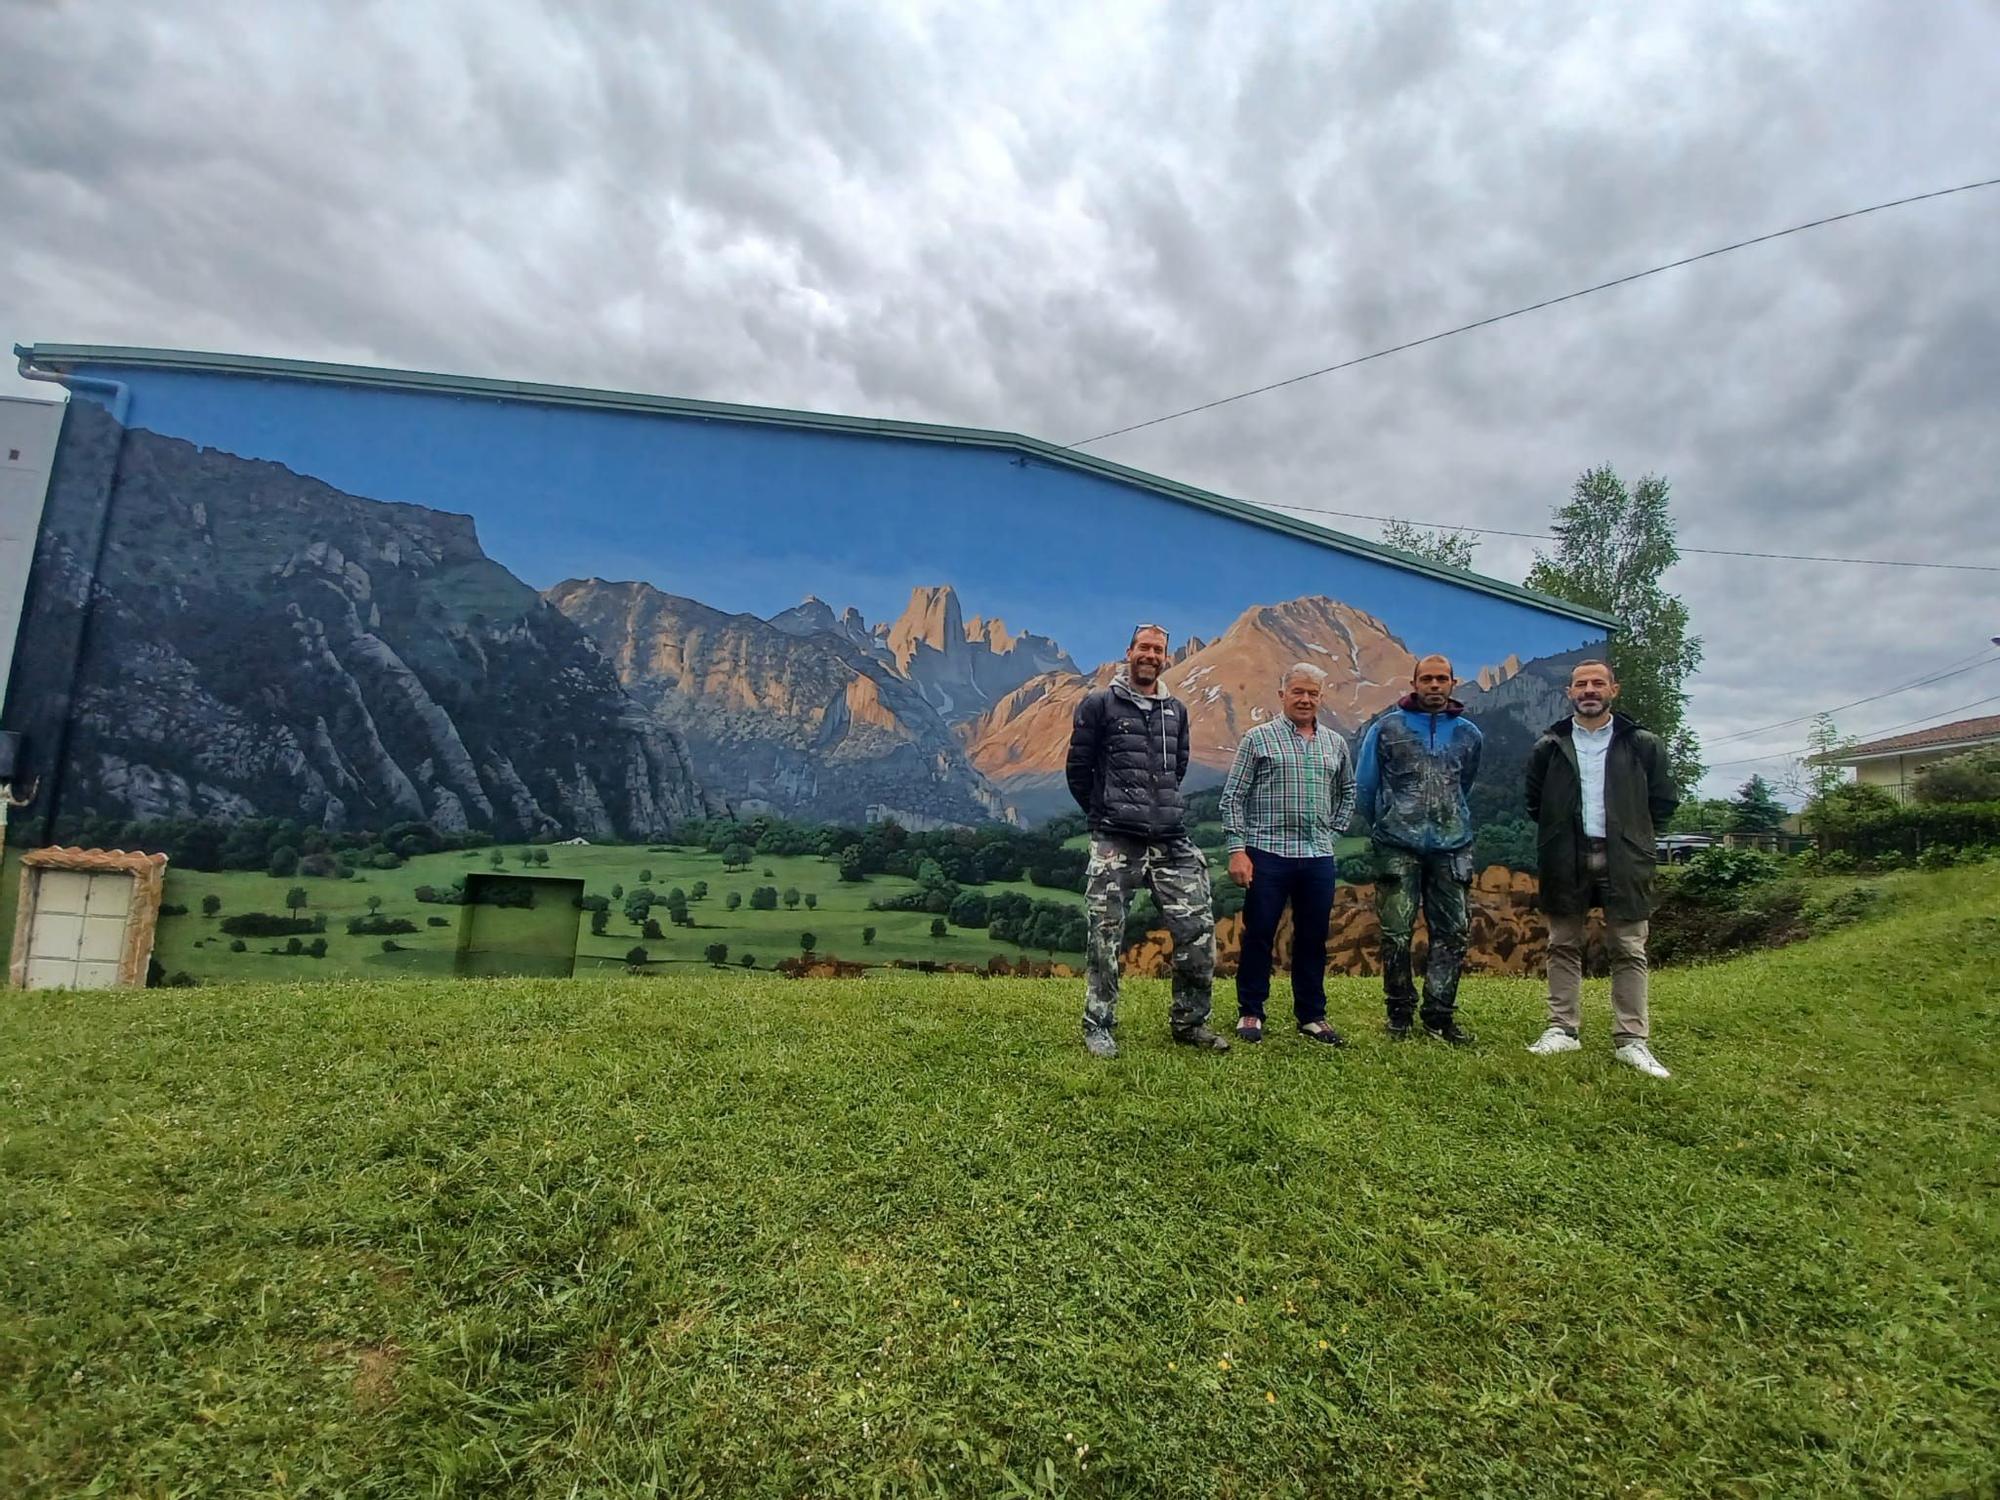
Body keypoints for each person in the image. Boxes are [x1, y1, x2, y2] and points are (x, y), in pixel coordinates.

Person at [1065, 623, 1227, 1058]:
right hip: (1116, 839)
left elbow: (1178, 768)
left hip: (1171, 838)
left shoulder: (1176, 711)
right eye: (1144, 647)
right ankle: (1098, 1025)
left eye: (1158, 649)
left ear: (1165, 657)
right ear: (1129, 651)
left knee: (1197, 931)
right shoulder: (1099, 704)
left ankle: (1190, 1023)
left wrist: (1159, 810)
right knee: (1105, 935)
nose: (1151, 655)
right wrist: (1103, 815)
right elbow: (1078, 770)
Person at [1524, 659, 1678, 1078]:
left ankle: (1632, 1039)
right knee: (1562, 943)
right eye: (1581, 684)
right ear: (1569, 693)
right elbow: (1536, 803)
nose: (1589, 690)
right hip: (1565, 855)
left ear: (1614, 690)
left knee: (1628, 946)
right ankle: (1562, 1029)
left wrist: (1636, 836)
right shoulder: (1549, 746)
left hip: (1625, 857)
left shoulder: (1642, 744)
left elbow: (1663, 800)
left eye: (1597, 683)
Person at [1219, 663, 1357, 1045]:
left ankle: (1312, 1016)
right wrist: (1237, 850)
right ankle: (1251, 1012)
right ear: (1282, 695)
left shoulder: (1335, 743)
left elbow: (1348, 791)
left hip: (1317, 856)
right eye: (1298, 691)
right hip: (1267, 853)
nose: (1305, 699)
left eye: (1313, 693)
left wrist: (1333, 831)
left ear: (1321, 698)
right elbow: (1233, 798)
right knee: (1259, 934)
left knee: (1313, 937)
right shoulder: (1258, 739)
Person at [1353, 654, 1482, 1043]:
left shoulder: (1469, 734)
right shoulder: (1386, 728)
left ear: (1452, 683)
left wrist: (1448, 817)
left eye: (1441, 678)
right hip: (1396, 845)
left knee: (1453, 932)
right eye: (1427, 679)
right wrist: (1385, 823)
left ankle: (1439, 1015)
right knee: (1395, 933)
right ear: (1414, 684)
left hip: (1453, 846)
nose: (1434, 685)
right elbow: (1365, 786)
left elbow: (1465, 783)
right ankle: (1399, 1014)